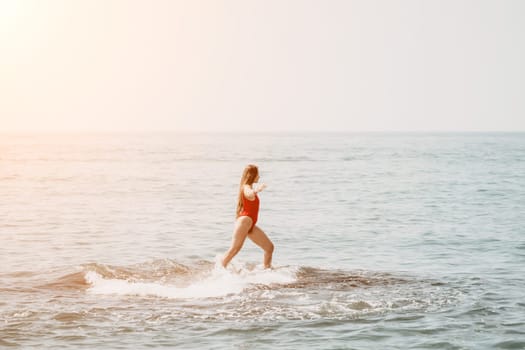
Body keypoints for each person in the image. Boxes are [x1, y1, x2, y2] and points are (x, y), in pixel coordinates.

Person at [221, 164, 274, 269]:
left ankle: (267, 271)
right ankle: (219, 270)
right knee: (234, 249)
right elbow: (249, 194)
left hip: (250, 224)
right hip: (244, 221)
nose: (259, 177)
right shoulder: (246, 187)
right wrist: (257, 190)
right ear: (252, 175)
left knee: (269, 248)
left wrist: (255, 190)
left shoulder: (248, 187)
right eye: (257, 174)